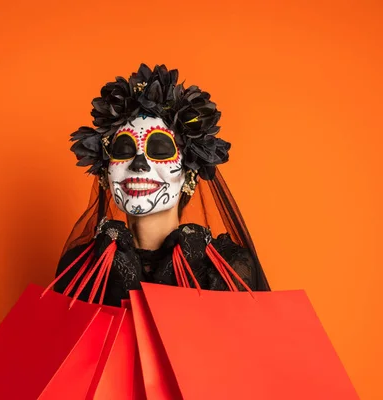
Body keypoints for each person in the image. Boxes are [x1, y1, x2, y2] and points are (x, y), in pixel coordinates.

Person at [53, 63, 270, 306]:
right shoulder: (82, 269)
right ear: (105, 173)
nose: (139, 165)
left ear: (190, 175)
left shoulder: (225, 269)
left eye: (159, 150)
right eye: (124, 149)